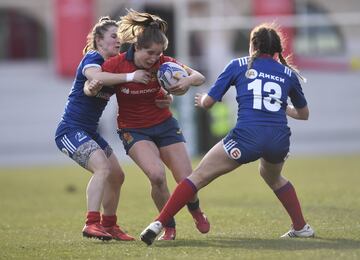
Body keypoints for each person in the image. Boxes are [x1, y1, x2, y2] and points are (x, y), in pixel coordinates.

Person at [140, 23, 315, 245]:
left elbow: (210, 101)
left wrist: (202, 100)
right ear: (277, 48)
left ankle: (159, 222)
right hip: (278, 140)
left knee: (198, 176)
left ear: (253, 45)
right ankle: (300, 227)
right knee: (272, 176)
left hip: (246, 138)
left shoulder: (238, 65)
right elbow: (304, 113)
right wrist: (282, 107)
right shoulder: (288, 73)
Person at [100, 9, 210, 241]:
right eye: (150, 53)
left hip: (164, 124)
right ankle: (168, 225)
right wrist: (92, 87)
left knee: (186, 179)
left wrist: (185, 83)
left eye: (159, 53)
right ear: (136, 48)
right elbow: (95, 78)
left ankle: (196, 210)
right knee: (157, 176)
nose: (154, 58)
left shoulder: (164, 63)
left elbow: (199, 76)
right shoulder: (117, 65)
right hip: (133, 129)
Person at [55, 16, 160, 241]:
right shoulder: (93, 57)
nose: (118, 40)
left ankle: (109, 225)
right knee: (102, 168)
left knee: (116, 175)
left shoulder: (114, 67)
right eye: (114, 36)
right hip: (70, 130)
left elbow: (95, 85)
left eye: (120, 37)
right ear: (99, 41)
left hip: (89, 131)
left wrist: (164, 98)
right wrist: (129, 76)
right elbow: (94, 77)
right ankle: (90, 223)